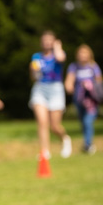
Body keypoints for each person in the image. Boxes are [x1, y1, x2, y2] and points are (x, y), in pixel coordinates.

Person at [29, 31, 71, 160]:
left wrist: (58, 47)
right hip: (40, 89)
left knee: (55, 126)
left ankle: (65, 139)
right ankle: (45, 152)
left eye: (50, 40)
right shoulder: (36, 57)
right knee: (42, 122)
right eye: (44, 40)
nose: (47, 42)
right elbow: (33, 77)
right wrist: (33, 71)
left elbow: (60, 58)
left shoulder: (58, 54)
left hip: (55, 89)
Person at [65, 45, 103, 155]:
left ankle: (88, 144)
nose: (82, 55)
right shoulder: (74, 67)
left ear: (89, 54)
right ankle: (87, 143)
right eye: (80, 53)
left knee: (88, 121)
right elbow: (69, 81)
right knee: (83, 122)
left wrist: (91, 87)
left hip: (91, 101)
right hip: (79, 99)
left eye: (85, 53)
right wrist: (69, 87)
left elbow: (99, 82)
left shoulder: (93, 67)